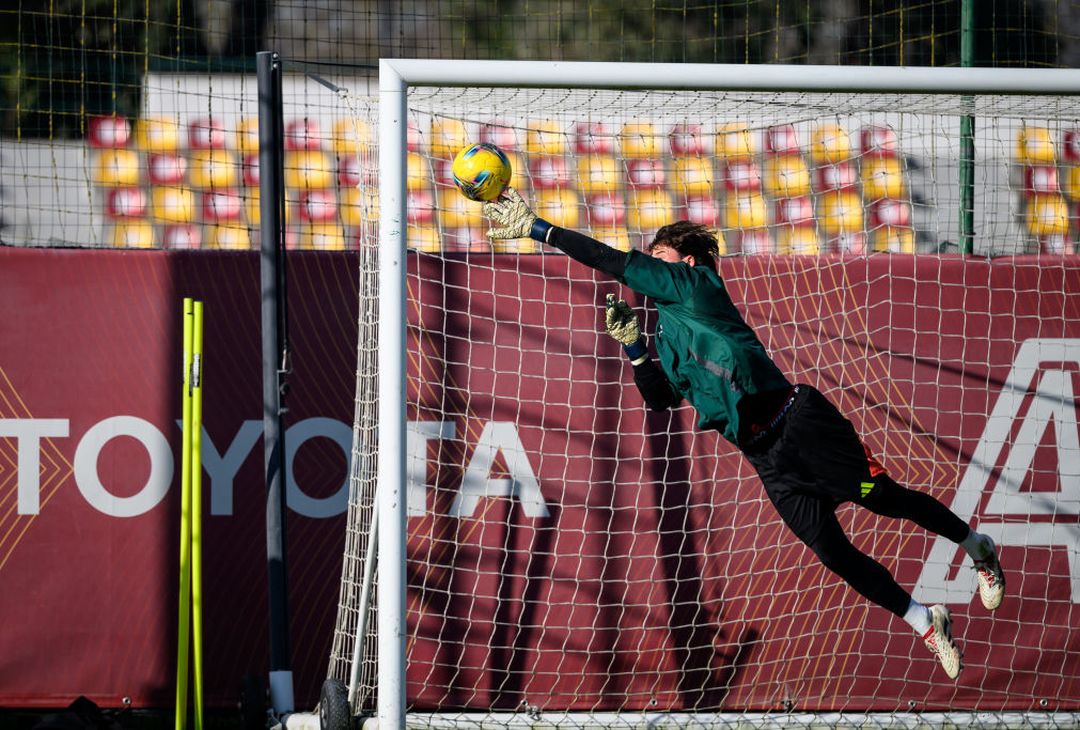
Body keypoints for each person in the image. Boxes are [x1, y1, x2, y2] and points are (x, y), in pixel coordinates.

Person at [482, 187, 1005, 679]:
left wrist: (538, 228)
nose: (648, 265)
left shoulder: (696, 287)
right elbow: (661, 397)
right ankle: (924, 620)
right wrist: (636, 347)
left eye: (657, 255)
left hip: (799, 424)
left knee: (882, 498)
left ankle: (975, 545)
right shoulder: (666, 332)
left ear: (684, 262)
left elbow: (615, 262)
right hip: (767, 458)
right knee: (832, 553)